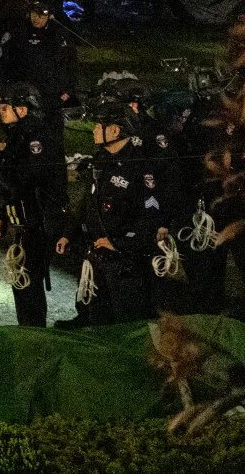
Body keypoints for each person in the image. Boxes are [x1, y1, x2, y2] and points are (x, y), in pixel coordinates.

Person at [57, 97, 168, 326]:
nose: (95, 131)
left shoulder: (139, 167)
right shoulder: (102, 160)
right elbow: (88, 202)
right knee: (99, 323)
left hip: (125, 265)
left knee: (128, 324)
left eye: (99, 126)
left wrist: (118, 243)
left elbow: (150, 217)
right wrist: (69, 232)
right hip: (98, 258)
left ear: (116, 130)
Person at [0, 82, 67, 327]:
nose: (0, 113)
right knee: (21, 282)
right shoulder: (19, 135)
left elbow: (26, 180)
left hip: (36, 224)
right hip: (21, 222)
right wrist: (3, 213)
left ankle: (34, 331)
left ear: (22, 109)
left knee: (29, 282)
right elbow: (9, 186)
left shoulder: (36, 138)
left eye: (4, 108)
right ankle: (28, 327)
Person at [0, 0, 77, 108]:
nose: (36, 19)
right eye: (34, 14)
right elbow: (6, 61)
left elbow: (70, 63)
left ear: (49, 16)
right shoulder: (18, 32)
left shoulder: (59, 35)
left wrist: (69, 90)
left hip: (52, 91)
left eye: (41, 16)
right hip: (24, 89)